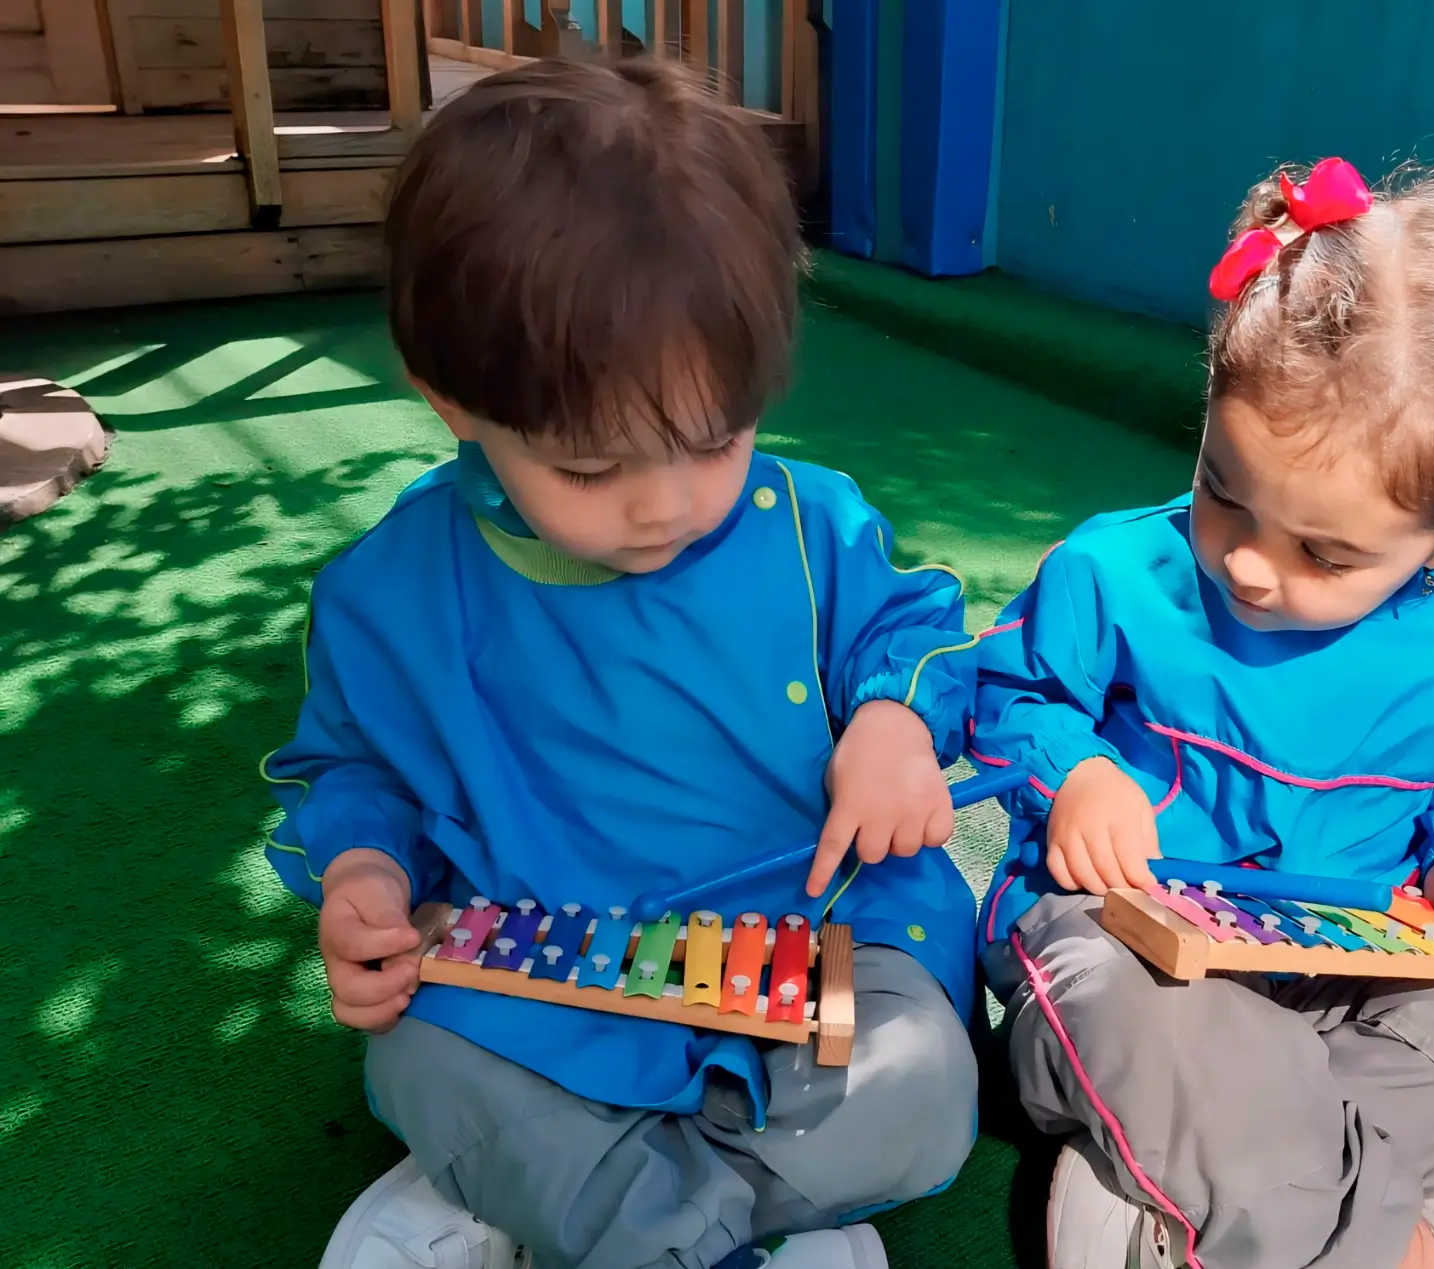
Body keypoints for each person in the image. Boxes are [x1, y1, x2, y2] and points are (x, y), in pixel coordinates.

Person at [262, 55, 979, 1269]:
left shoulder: (812, 525)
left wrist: (894, 727)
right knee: (417, 1050)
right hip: (541, 957)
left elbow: (914, 635)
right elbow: (352, 769)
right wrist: (365, 880)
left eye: (718, 441)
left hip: (816, 930)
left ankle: (580, 1210)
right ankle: (721, 1223)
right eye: (590, 472)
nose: (669, 506)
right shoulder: (389, 590)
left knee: (927, 1094)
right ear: (452, 402)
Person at [969, 158, 1434, 1269]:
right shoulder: (1114, 572)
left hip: (1349, 976)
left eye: (1324, 552)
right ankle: (1396, 1245)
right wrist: (1076, 774)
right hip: (1132, 954)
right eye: (1221, 488)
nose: (1245, 562)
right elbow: (1008, 692)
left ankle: (1175, 1198)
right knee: (1147, 1024)